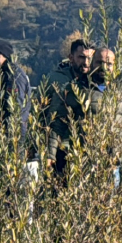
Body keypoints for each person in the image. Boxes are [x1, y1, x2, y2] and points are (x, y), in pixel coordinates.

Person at [39, 39, 96, 176]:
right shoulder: (55, 79)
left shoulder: (94, 82)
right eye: (81, 57)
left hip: (85, 148)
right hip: (58, 147)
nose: (86, 62)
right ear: (71, 57)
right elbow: (39, 108)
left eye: (90, 58)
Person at [0, 38, 33, 164]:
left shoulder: (13, 77)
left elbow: (15, 109)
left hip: (13, 137)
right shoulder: (3, 75)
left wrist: (3, 127)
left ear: (5, 55)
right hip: (5, 135)